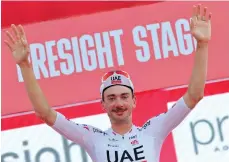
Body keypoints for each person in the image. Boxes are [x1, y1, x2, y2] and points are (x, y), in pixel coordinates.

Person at [4, 4, 211, 162]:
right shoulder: (92, 138)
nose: (118, 103)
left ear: (134, 101)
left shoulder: (153, 130)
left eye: (123, 96)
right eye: (111, 98)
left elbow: (194, 95)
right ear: (103, 104)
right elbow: (45, 114)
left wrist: (202, 45)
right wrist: (24, 65)